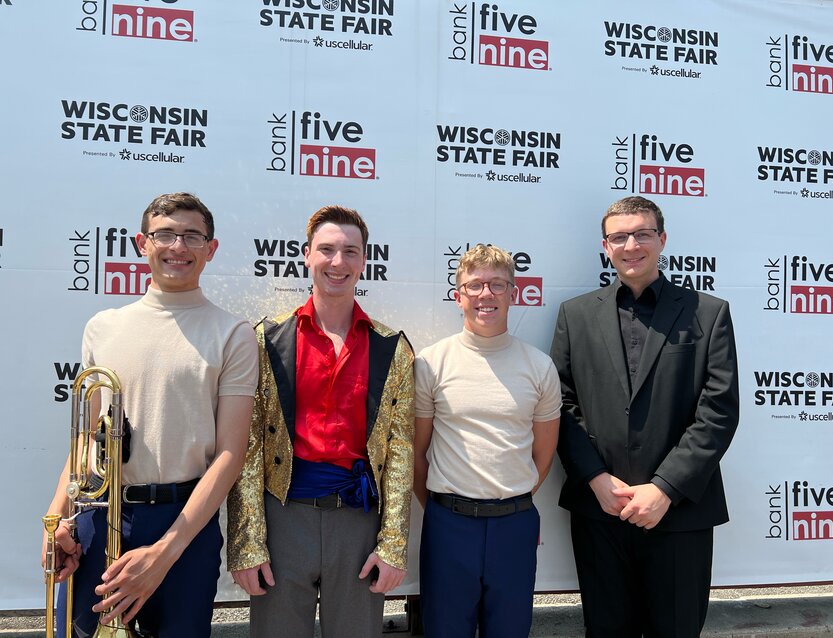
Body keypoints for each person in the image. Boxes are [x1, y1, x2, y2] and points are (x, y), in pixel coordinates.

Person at [42, 192, 259, 636]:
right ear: (142, 243)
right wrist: (55, 519)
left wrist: (164, 552)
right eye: (165, 234)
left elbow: (230, 456)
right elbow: (87, 438)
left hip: (184, 527)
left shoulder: (233, 334)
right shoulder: (102, 327)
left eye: (192, 236)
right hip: (99, 519)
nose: (178, 246)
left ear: (210, 249)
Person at [549, 195, 739, 637]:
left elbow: (719, 410)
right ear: (605, 246)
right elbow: (559, 404)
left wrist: (665, 489)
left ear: (662, 239)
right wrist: (595, 478)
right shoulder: (575, 315)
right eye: (619, 236)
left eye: (642, 233)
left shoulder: (708, 313)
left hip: (679, 513)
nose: (631, 244)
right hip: (601, 512)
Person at [227, 205, 414, 637]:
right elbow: (249, 443)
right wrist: (247, 541)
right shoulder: (268, 339)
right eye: (327, 249)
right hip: (283, 517)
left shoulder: (392, 348)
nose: (338, 262)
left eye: (351, 251)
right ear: (307, 255)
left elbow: (401, 453)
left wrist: (393, 546)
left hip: (358, 522)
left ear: (365, 260)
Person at [414, 243, 561, 637]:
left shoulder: (539, 366)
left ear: (514, 294)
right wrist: (449, 507)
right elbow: (418, 452)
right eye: (475, 285)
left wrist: (508, 498)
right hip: (448, 525)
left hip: (514, 525)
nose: (486, 294)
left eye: (498, 285)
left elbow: (543, 455)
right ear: (458, 294)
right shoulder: (431, 362)